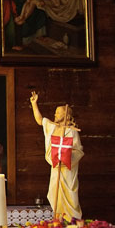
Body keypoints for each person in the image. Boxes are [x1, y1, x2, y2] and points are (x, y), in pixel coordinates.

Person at [30, 92, 83, 220]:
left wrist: (67, 158)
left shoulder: (72, 131)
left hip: (68, 170)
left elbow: (78, 150)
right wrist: (34, 103)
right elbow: (39, 120)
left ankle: (72, 220)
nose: (55, 115)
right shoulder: (52, 127)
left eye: (58, 112)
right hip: (55, 168)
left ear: (66, 115)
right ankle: (59, 219)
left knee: (71, 196)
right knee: (55, 193)